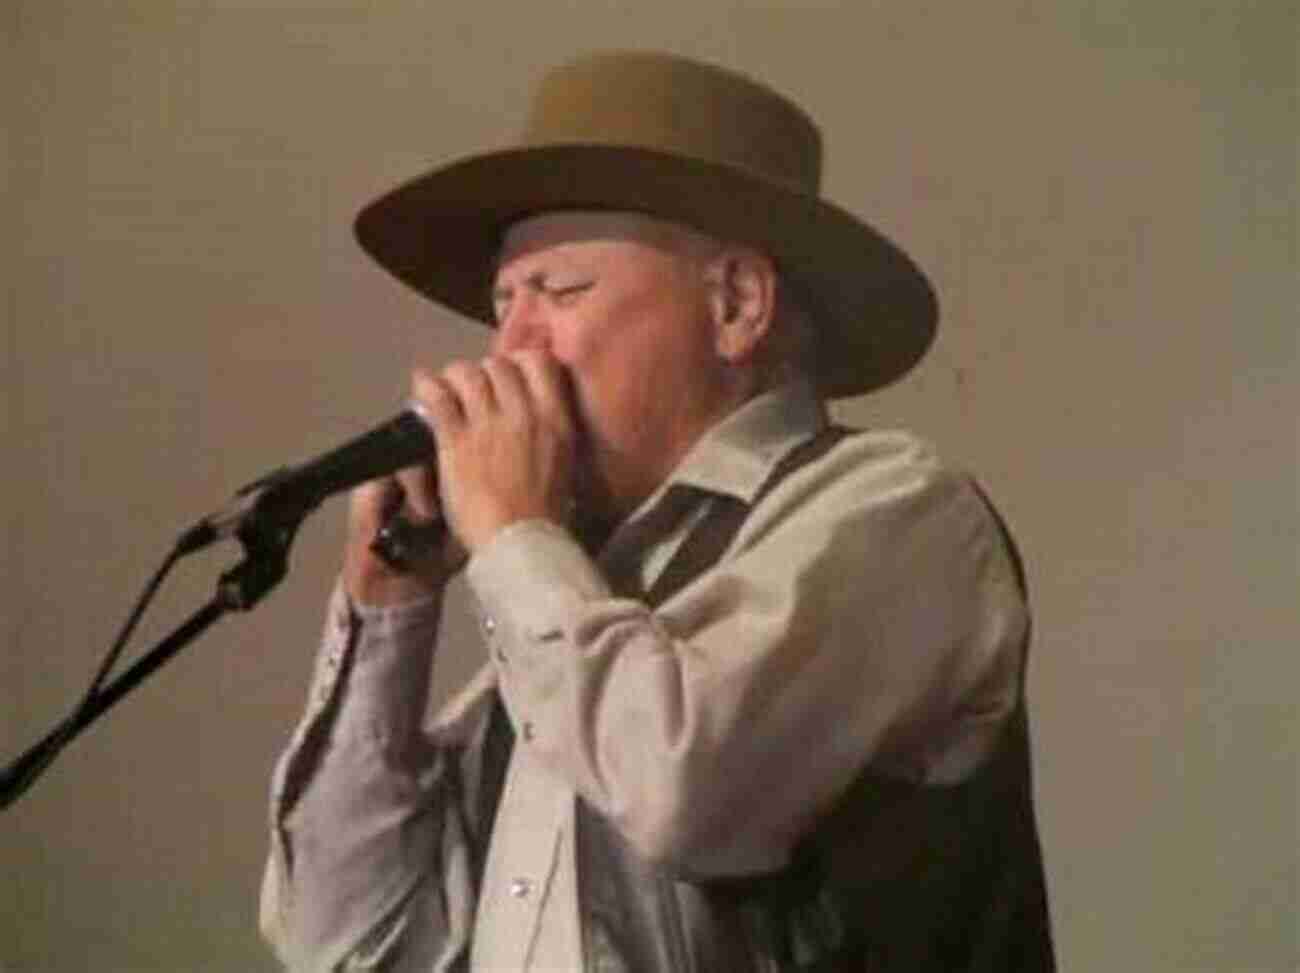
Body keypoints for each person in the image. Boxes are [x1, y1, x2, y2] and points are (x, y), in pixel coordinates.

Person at [259, 51, 1055, 971]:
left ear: (736, 303)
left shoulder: (903, 516)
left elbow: (684, 786)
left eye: (560, 291)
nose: (509, 348)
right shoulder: (571, 606)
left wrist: (516, 537)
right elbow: (350, 938)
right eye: (501, 304)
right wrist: (386, 611)